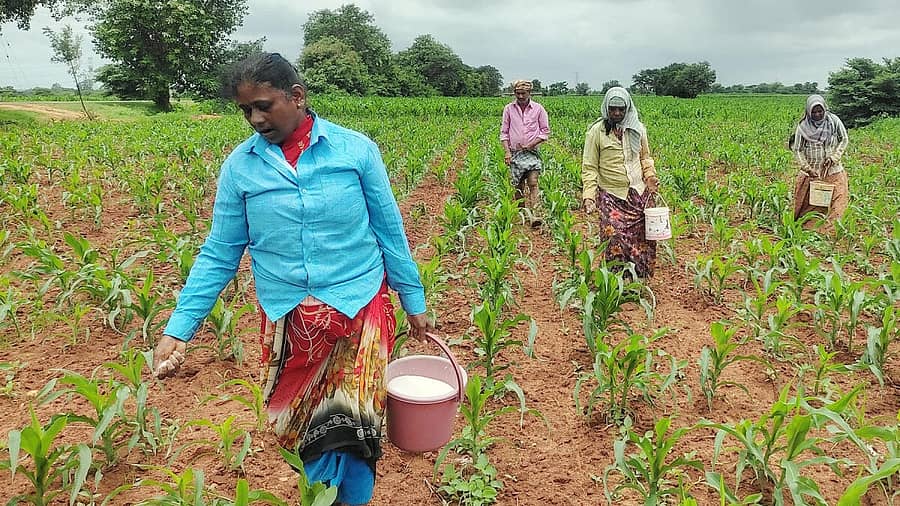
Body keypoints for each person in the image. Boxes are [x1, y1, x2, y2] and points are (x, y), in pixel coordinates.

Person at [152, 52, 430, 506]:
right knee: (299, 431)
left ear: (297, 97)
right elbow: (220, 252)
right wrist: (179, 328)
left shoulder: (354, 151)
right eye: (246, 110)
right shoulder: (240, 168)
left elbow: (389, 230)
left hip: (358, 311)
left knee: (355, 428)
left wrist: (412, 297)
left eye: (264, 105)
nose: (255, 119)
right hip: (291, 320)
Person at [581, 87, 660, 278]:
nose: (617, 113)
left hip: (637, 191)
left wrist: (650, 176)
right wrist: (589, 196)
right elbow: (589, 167)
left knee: (644, 236)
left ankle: (640, 277)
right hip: (611, 193)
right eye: (612, 109)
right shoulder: (596, 132)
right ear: (606, 108)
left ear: (627, 108)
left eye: (621, 109)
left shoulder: (638, 129)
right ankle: (616, 280)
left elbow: (645, 157)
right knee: (613, 237)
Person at [791, 94, 849, 232]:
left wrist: (835, 156)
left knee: (837, 202)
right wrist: (806, 168)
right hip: (812, 172)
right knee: (809, 205)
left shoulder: (833, 121)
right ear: (808, 112)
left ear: (825, 109)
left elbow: (844, 139)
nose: (817, 114)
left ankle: (831, 230)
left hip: (833, 170)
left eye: (820, 111)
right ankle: (809, 229)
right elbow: (797, 149)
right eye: (814, 112)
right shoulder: (803, 128)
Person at [500, 79, 551, 227]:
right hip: (515, 153)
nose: (520, 96)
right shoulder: (509, 109)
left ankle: (535, 214)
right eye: (517, 93)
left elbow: (545, 131)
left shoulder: (538, 109)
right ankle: (521, 214)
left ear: (529, 92)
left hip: (532, 152)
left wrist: (531, 144)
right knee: (518, 185)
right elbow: (504, 133)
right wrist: (507, 152)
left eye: (523, 93)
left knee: (533, 182)